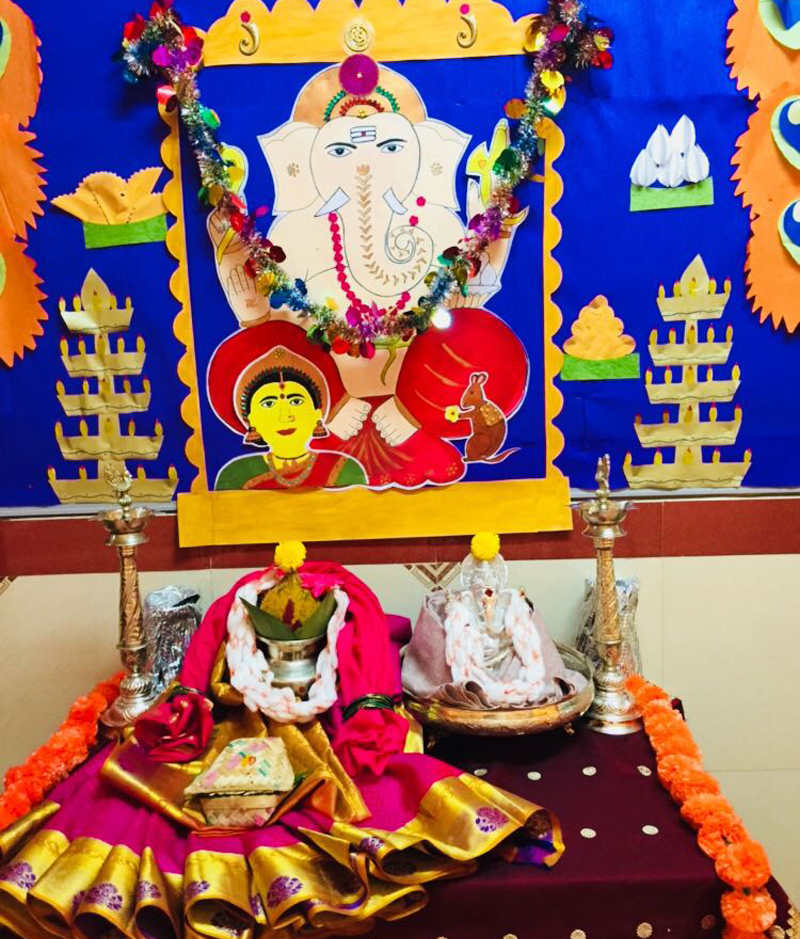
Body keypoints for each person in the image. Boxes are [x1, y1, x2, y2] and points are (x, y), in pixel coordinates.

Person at [0, 550, 563, 939]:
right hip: (239, 717)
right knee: (130, 806)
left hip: (323, 717)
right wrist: (198, 697)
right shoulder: (232, 623)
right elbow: (207, 664)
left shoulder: (353, 616)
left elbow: (368, 662)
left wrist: (365, 707)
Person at [211, 329, 366, 491]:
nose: (285, 416)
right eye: (268, 404)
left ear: (317, 414)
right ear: (251, 420)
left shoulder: (345, 469)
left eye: (296, 401)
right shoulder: (237, 475)